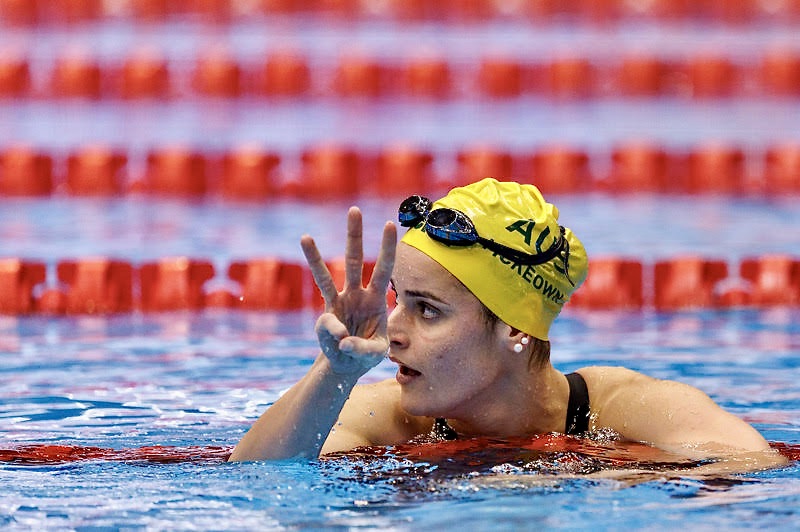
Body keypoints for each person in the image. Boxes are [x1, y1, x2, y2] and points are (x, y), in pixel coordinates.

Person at [228, 178, 781, 467]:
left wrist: (604, 474)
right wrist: (335, 372)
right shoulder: (395, 418)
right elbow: (257, 472)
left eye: (428, 310)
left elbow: (754, 469)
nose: (392, 330)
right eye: (399, 300)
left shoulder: (621, 409)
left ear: (515, 328)